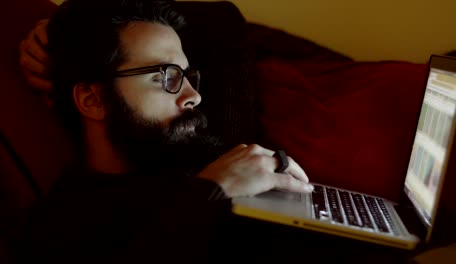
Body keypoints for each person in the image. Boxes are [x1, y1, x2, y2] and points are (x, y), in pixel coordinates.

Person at [15, 0, 314, 263]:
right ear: (93, 100)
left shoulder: (190, 158)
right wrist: (210, 192)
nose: (193, 95)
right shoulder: (62, 225)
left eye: (186, 75)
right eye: (166, 76)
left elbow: (224, 22)